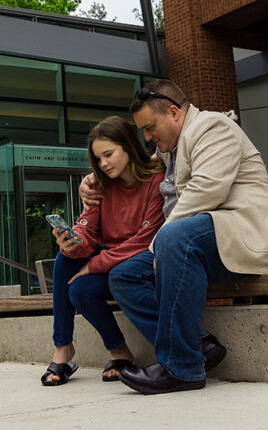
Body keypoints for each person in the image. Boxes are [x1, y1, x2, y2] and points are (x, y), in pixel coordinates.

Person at [80, 79, 268, 394]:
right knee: (125, 275)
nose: (147, 137)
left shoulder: (213, 128)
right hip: (202, 244)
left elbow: (206, 189)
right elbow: (136, 171)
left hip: (246, 236)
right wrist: (90, 182)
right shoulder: (169, 150)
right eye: (142, 131)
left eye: (150, 127)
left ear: (174, 112)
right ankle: (198, 345)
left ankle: (182, 367)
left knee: (175, 236)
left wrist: (159, 244)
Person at [41, 116, 167, 386]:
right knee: (69, 267)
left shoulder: (156, 179)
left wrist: (93, 264)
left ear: (129, 146)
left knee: (82, 286)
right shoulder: (99, 185)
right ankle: (70, 346)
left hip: (142, 263)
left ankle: (119, 351)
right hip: (113, 262)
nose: (103, 164)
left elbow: (146, 239)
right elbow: (88, 229)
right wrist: (71, 242)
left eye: (108, 155)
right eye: (98, 159)